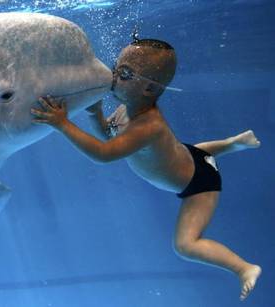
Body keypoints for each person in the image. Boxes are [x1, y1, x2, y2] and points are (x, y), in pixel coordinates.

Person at [31, 38, 262, 300]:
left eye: (125, 74)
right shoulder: (126, 109)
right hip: (192, 156)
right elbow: (109, 134)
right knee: (189, 153)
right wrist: (95, 115)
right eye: (116, 67)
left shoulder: (147, 126)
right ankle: (232, 144)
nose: (114, 76)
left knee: (185, 245)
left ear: (150, 89)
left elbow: (103, 154)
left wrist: (62, 124)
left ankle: (244, 268)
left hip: (199, 184)